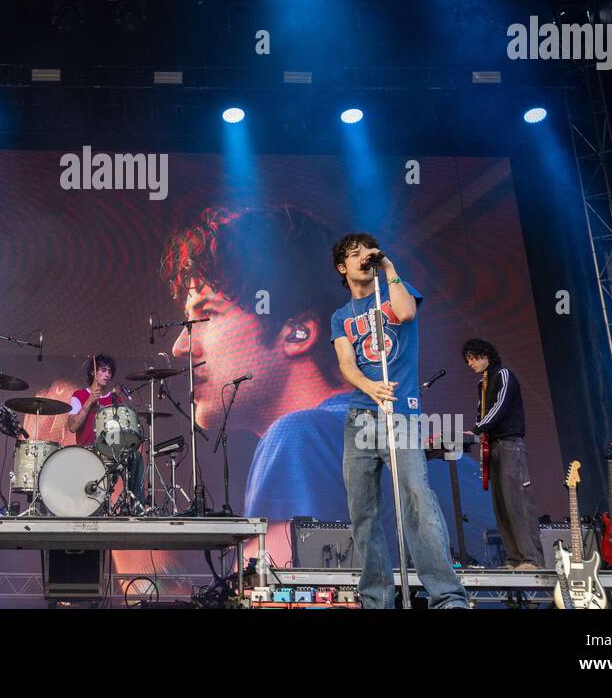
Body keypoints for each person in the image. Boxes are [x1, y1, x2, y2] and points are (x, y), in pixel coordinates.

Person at [158, 206, 492, 549]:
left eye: (206, 315)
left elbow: (278, 596)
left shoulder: (299, 436)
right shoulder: (449, 459)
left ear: (298, 332)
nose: (180, 345)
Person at [332, 232, 468, 608]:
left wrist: (388, 266)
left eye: (367, 253)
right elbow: (346, 363)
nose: (363, 258)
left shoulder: (396, 289)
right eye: (354, 255)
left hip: (402, 416)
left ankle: (447, 597)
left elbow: (406, 313)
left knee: (417, 499)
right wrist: (370, 386)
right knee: (364, 514)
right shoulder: (341, 316)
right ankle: (376, 600)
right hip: (361, 416)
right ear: (343, 268)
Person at [463, 337, 544, 570]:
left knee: (517, 501)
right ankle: (514, 558)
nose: (469, 364)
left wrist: (477, 430)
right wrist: (476, 434)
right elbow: (482, 414)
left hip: (509, 445)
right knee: (501, 505)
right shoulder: (482, 384)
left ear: (484, 355)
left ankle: (532, 559)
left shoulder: (504, 375)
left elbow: (499, 407)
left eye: (472, 358)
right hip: (493, 446)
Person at [65, 354, 146, 508]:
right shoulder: (79, 396)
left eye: (109, 371)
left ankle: (138, 505)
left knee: (135, 456)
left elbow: (122, 432)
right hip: (87, 451)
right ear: (93, 372)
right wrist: (89, 403)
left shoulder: (115, 399)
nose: (107, 374)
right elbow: (72, 427)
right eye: (103, 370)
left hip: (112, 451)